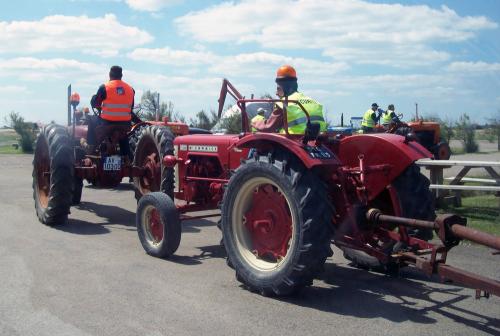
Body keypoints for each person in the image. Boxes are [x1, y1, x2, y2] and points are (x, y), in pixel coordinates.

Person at [251, 65, 326, 134]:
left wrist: (255, 122)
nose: (276, 93)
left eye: (278, 89)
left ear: (284, 88)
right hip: (317, 141)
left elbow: (269, 127)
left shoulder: (285, 103)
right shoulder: (313, 102)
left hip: (294, 140)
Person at [86, 65, 139, 154]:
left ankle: (90, 148)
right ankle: (126, 156)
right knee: (124, 136)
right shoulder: (130, 89)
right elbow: (130, 108)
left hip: (106, 124)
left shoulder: (105, 87)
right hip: (125, 125)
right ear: (121, 76)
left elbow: (96, 104)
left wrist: (94, 99)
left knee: (91, 120)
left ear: (110, 75)